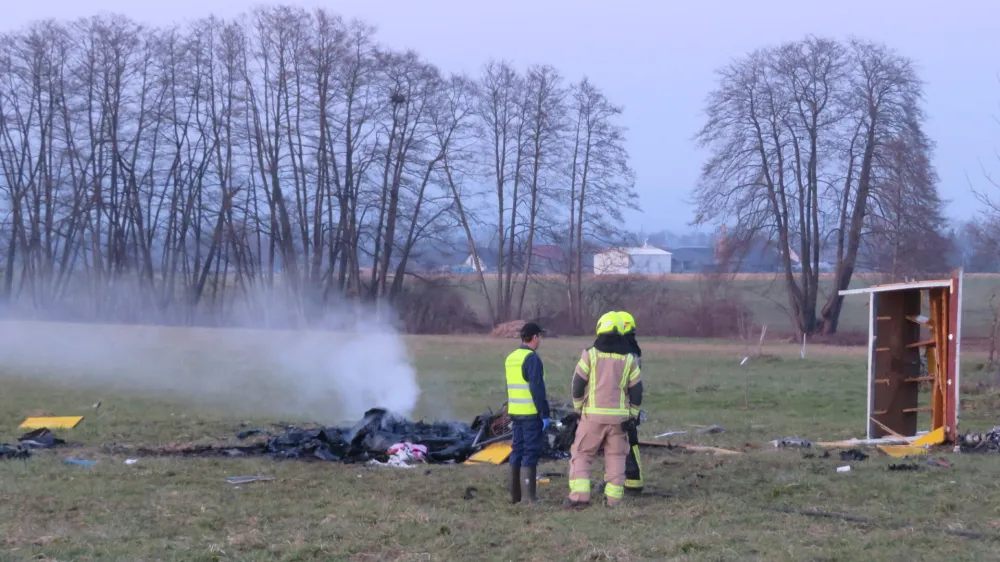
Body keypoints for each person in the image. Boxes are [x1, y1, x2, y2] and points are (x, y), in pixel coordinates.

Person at [565, 312, 643, 509]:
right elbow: (637, 390)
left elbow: (577, 384)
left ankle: (579, 498)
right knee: (616, 457)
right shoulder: (629, 359)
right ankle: (613, 501)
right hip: (620, 420)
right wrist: (633, 415)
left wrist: (578, 408)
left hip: (592, 417)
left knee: (582, 454)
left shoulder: (590, 354)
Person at [504, 321, 550, 504]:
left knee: (517, 450)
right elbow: (537, 388)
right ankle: (529, 498)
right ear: (535, 337)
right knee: (530, 452)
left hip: (515, 412)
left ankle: (515, 496)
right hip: (531, 414)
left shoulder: (511, 357)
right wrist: (544, 414)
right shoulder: (531, 358)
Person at [616, 310, 644, 496]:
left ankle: (631, 481)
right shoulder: (634, 349)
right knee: (629, 442)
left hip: (623, 404)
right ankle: (632, 480)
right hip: (631, 403)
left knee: (625, 442)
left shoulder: (627, 352)